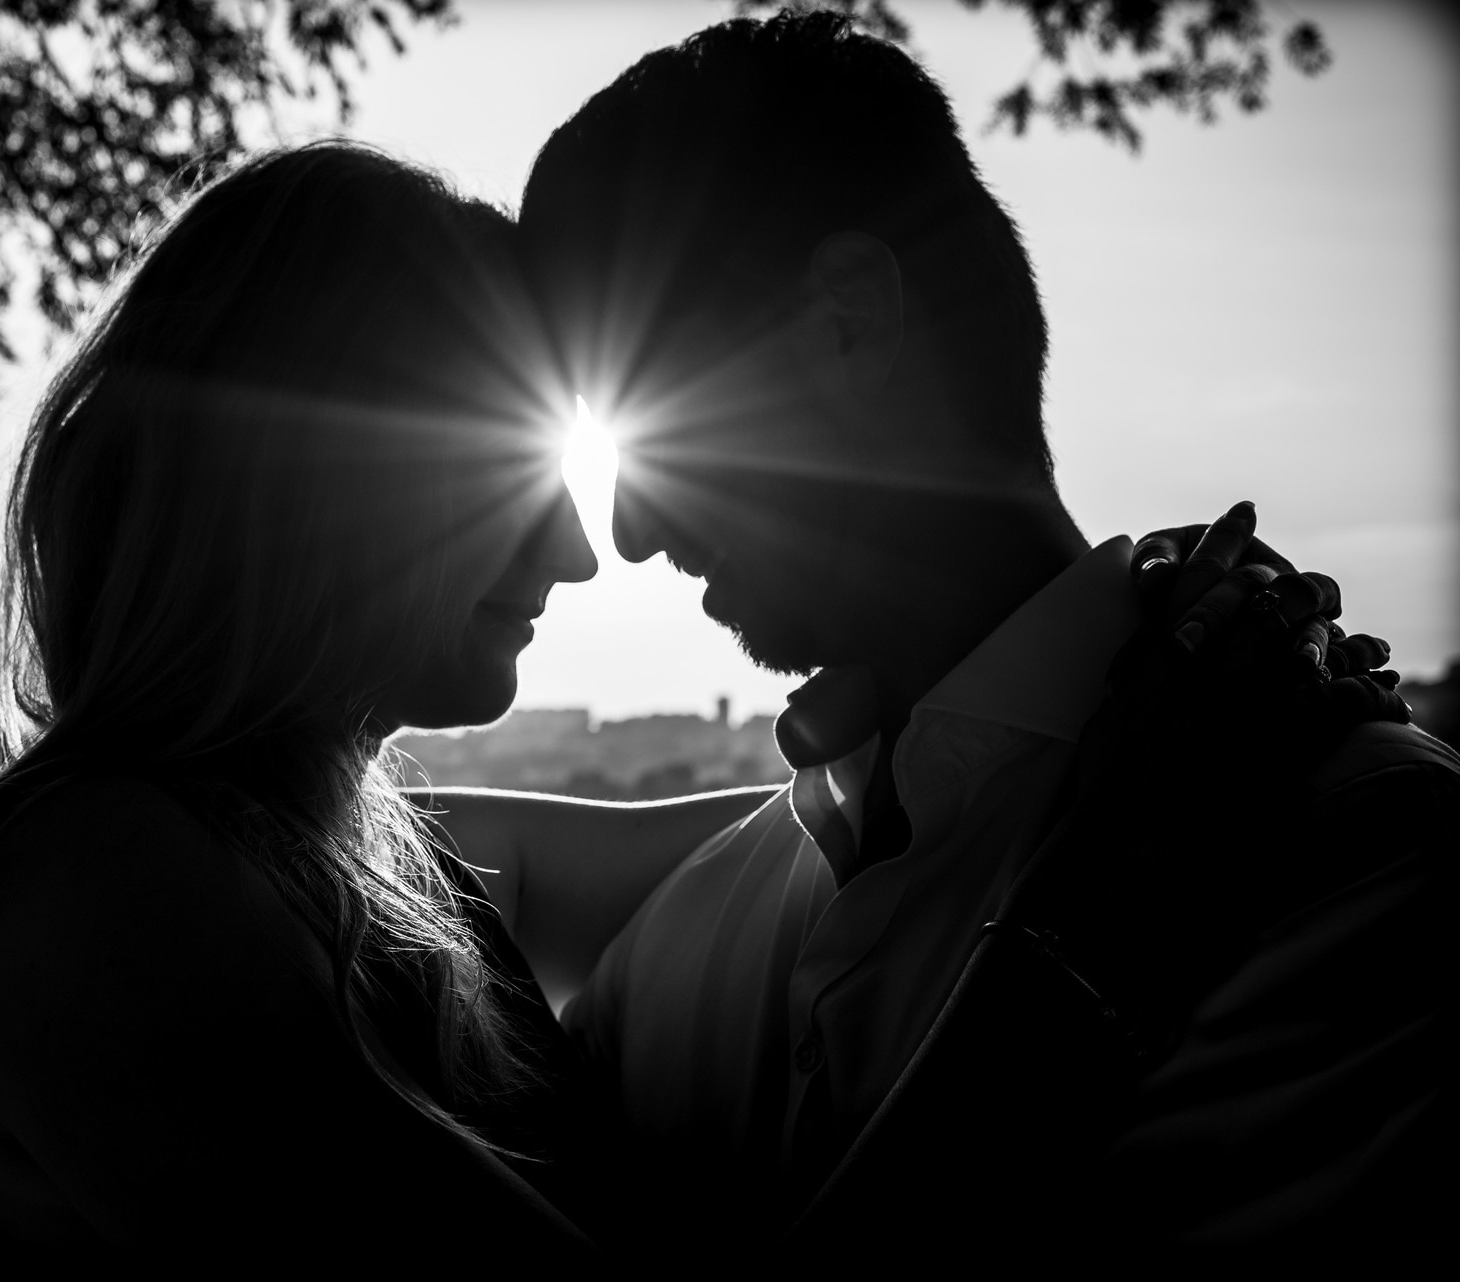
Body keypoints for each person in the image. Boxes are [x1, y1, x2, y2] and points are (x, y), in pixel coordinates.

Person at [420, 10, 1454, 1267]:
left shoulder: (1361, 855)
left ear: (847, 321)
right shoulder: (688, 934)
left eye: (639, 417)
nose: (626, 531)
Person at [0, 142, 793, 1274]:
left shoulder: (373, 860)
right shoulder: (101, 887)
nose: (577, 554)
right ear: (309, 475)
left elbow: (833, 822)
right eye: (513, 472)